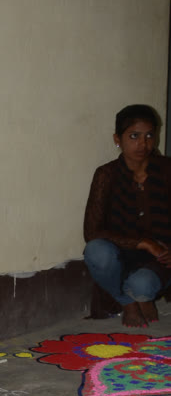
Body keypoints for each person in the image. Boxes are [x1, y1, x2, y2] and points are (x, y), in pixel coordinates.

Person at [83, 104, 171, 327]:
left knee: (142, 285)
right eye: (134, 136)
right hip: (121, 254)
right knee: (95, 251)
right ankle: (127, 302)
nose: (143, 144)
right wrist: (144, 243)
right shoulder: (106, 175)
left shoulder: (167, 170)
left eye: (149, 136)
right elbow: (92, 232)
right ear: (117, 139)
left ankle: (142, 294)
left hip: (160, 257)